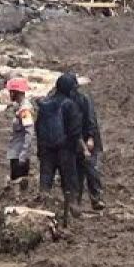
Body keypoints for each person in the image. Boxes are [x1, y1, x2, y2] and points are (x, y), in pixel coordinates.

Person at [35, 74, 85, 212]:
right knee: (69, 180)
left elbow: (38, 127)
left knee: (45, 179)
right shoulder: (69, 104)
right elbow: (74, 130)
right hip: (65, 149)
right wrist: (76, 149)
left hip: (46, 149)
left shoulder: (44, 104)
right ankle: (72, 207)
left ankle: (42, 206)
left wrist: (40, 148)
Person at [57, 73, 105, 211]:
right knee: (75, 173)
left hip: (88, 138)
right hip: (73, 140)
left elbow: (90, 119)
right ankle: (75, 203)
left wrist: (89, 138)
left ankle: (97, 198)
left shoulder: (83, 100)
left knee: (91, 169)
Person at [5, 78, 35, 193]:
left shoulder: (24, 110)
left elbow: (29, 132)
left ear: (14, 92)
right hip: (17, 152)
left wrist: (23, 153)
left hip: (19, 154)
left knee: (18, 185)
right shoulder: (21, 107)